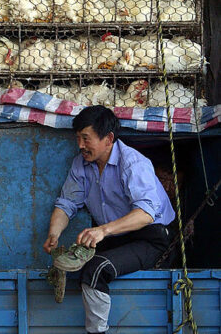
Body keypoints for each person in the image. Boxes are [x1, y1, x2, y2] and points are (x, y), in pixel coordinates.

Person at [43, 105, 175, 334]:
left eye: (86, 138)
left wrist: (102, 231)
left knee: (97, 268)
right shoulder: (81, 164)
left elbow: (146, 213)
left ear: (108, 138)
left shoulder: (133, 163)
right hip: (117, 237)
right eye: (78, 138)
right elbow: (67, 204)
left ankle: (97, 332)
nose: (80, 145)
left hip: (151, 238)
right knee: (69, 260)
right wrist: (54, 234)